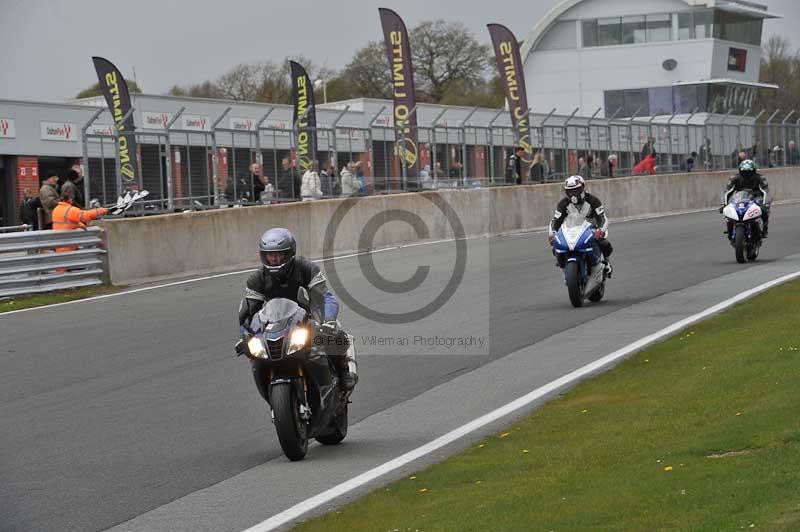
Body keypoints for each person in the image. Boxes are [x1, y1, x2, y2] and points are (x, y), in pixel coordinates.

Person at [238, 228, 357, 391]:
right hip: (276, 324)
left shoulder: (306, 268)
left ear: (290, 253)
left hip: (307, 317)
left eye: (280, 254)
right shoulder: (256, 279)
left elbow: (325, 298)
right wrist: (244, 335)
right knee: (256, 357)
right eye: (270, 255)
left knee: (335, 335)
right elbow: (249, 313)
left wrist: (328, 320)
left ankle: (343, 372)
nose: (275, 258)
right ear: (263, 255)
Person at [548, 175, 613, 277]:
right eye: (570, 191)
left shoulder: (593, 200)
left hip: (591, 229)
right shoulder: (563, 203)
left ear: (583, 188)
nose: (573, 194)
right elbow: (555, 221)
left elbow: (603, 218)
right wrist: (553, 233)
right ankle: (564, 265)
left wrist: (601, 230)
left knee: (605, 244)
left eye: (576, 190)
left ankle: (606, 262)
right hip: (571, 230)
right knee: (555, 247)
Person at [722, 159, 770, 238]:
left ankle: (764, 229)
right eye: (744, 172)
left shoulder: (760, 178)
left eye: (749, 172)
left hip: (755, 198)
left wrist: (765, 204)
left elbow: (765, 192)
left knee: (764, 210)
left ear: (754, 171)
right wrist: (724, 204)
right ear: (740, 171)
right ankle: (730, 230)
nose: (747, 174)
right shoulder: (734, 178)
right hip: (739, 198)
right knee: (727, 212)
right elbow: (727, 192)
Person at [51, 189, 108, 255]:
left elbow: (66, 221)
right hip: (69, 241)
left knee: (64, 261)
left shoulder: (56, 209)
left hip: (60, 241)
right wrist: (100, 211)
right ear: (69, 200)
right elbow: (85, 216)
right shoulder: (70, 210)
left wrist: (80, 225)